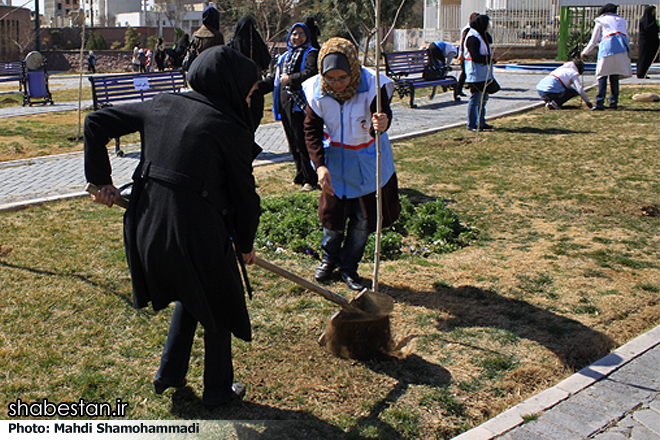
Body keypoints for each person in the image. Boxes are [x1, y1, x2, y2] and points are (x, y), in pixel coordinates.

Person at [84, 46, 261, 408]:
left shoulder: (162, 103)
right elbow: (245, 199)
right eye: (249, 89)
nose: (250, 96)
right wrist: (245, 245)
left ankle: (170, 372)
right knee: (221, 299)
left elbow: (95, 122)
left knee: (193, 285)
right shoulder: (229, 128)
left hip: (148, 227)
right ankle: (218, 390)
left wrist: (101, 180)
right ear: (230, 85)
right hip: (191, 232)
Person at [303, 37, 401, 291]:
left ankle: (349, 267)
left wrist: (382, 123)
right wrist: (320, 166)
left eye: (342, 78)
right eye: (331, 79)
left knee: (362, 219)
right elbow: (311, 130)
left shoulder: (372, 85)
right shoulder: (316, 91)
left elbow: (385, 115)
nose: (336, 85)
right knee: (333, 217)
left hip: (367, 158)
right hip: (335, 159)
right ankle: (328, 260)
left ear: (353, 71)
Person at [259, 23, 318, 192]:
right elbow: (275, 79)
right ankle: (300, 173)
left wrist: (290, 79)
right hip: (285, 103)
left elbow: (310, 73)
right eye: (294, 34)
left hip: (301, 103)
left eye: (301, 34)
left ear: (307, 36)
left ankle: (310, 179)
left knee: (302, 141)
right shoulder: (284, 56)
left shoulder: (310, 53)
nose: (297, 37)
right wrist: (257, 87)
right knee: (293, 142)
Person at [581, 3, 631, 110]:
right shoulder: (622, 20)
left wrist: (585, 52)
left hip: (608, 47)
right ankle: (614, 103)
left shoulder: (601, 20)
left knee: (602, 75)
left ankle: (599, 103)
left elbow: (594, 40)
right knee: (614, 75)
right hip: (622, 47)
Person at [228, 16, 272, 128]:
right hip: (256, 85)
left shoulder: (234, 43)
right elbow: (266, 60)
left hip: (238, 88)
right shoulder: (258, 42)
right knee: (254, 118)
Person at [464, 14, 496, 131]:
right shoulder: (473, 38)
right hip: (476, 73)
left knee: (484, 98)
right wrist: (488, 59)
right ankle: (471, 123)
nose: (488, 26)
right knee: (475, 99)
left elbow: (489, 42)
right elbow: (476, 56)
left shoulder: (481, 36)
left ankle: (481, 121)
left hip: (484, 73)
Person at [455, 12, 479, 101]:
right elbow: (462, 41)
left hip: (467, 54)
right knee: (464, 73)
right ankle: (458, 90)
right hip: (466, 54)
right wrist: (461, 53)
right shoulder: (468, 29)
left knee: (465, 73)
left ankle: (459, 89)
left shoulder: (473, 29)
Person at [637, 6, 659, 79]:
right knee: (643, 57)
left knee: (649, 58)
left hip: (652, 42)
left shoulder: (652, 20)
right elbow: (649, 28)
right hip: (645, 42)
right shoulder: (645, 20)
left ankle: (644, 72)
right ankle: (641, 73)